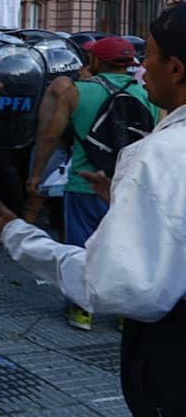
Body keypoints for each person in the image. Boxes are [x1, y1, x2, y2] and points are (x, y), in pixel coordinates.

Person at [0, 3, 186, 417]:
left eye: (151, 55)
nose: (141, 66)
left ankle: (79, 316)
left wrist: (18, 234)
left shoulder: (156, 154)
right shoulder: (153, 128)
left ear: (176, 69)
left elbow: (114, 284)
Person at [25, 35, 155, 331]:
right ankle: (123, 312)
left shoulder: (76, 92)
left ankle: (81, 310)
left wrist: (37, 173)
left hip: (83, 183)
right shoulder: (147, 94)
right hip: (128, 186)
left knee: (80, 247)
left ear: (96, 60)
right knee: (124, 247)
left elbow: (50, 136)